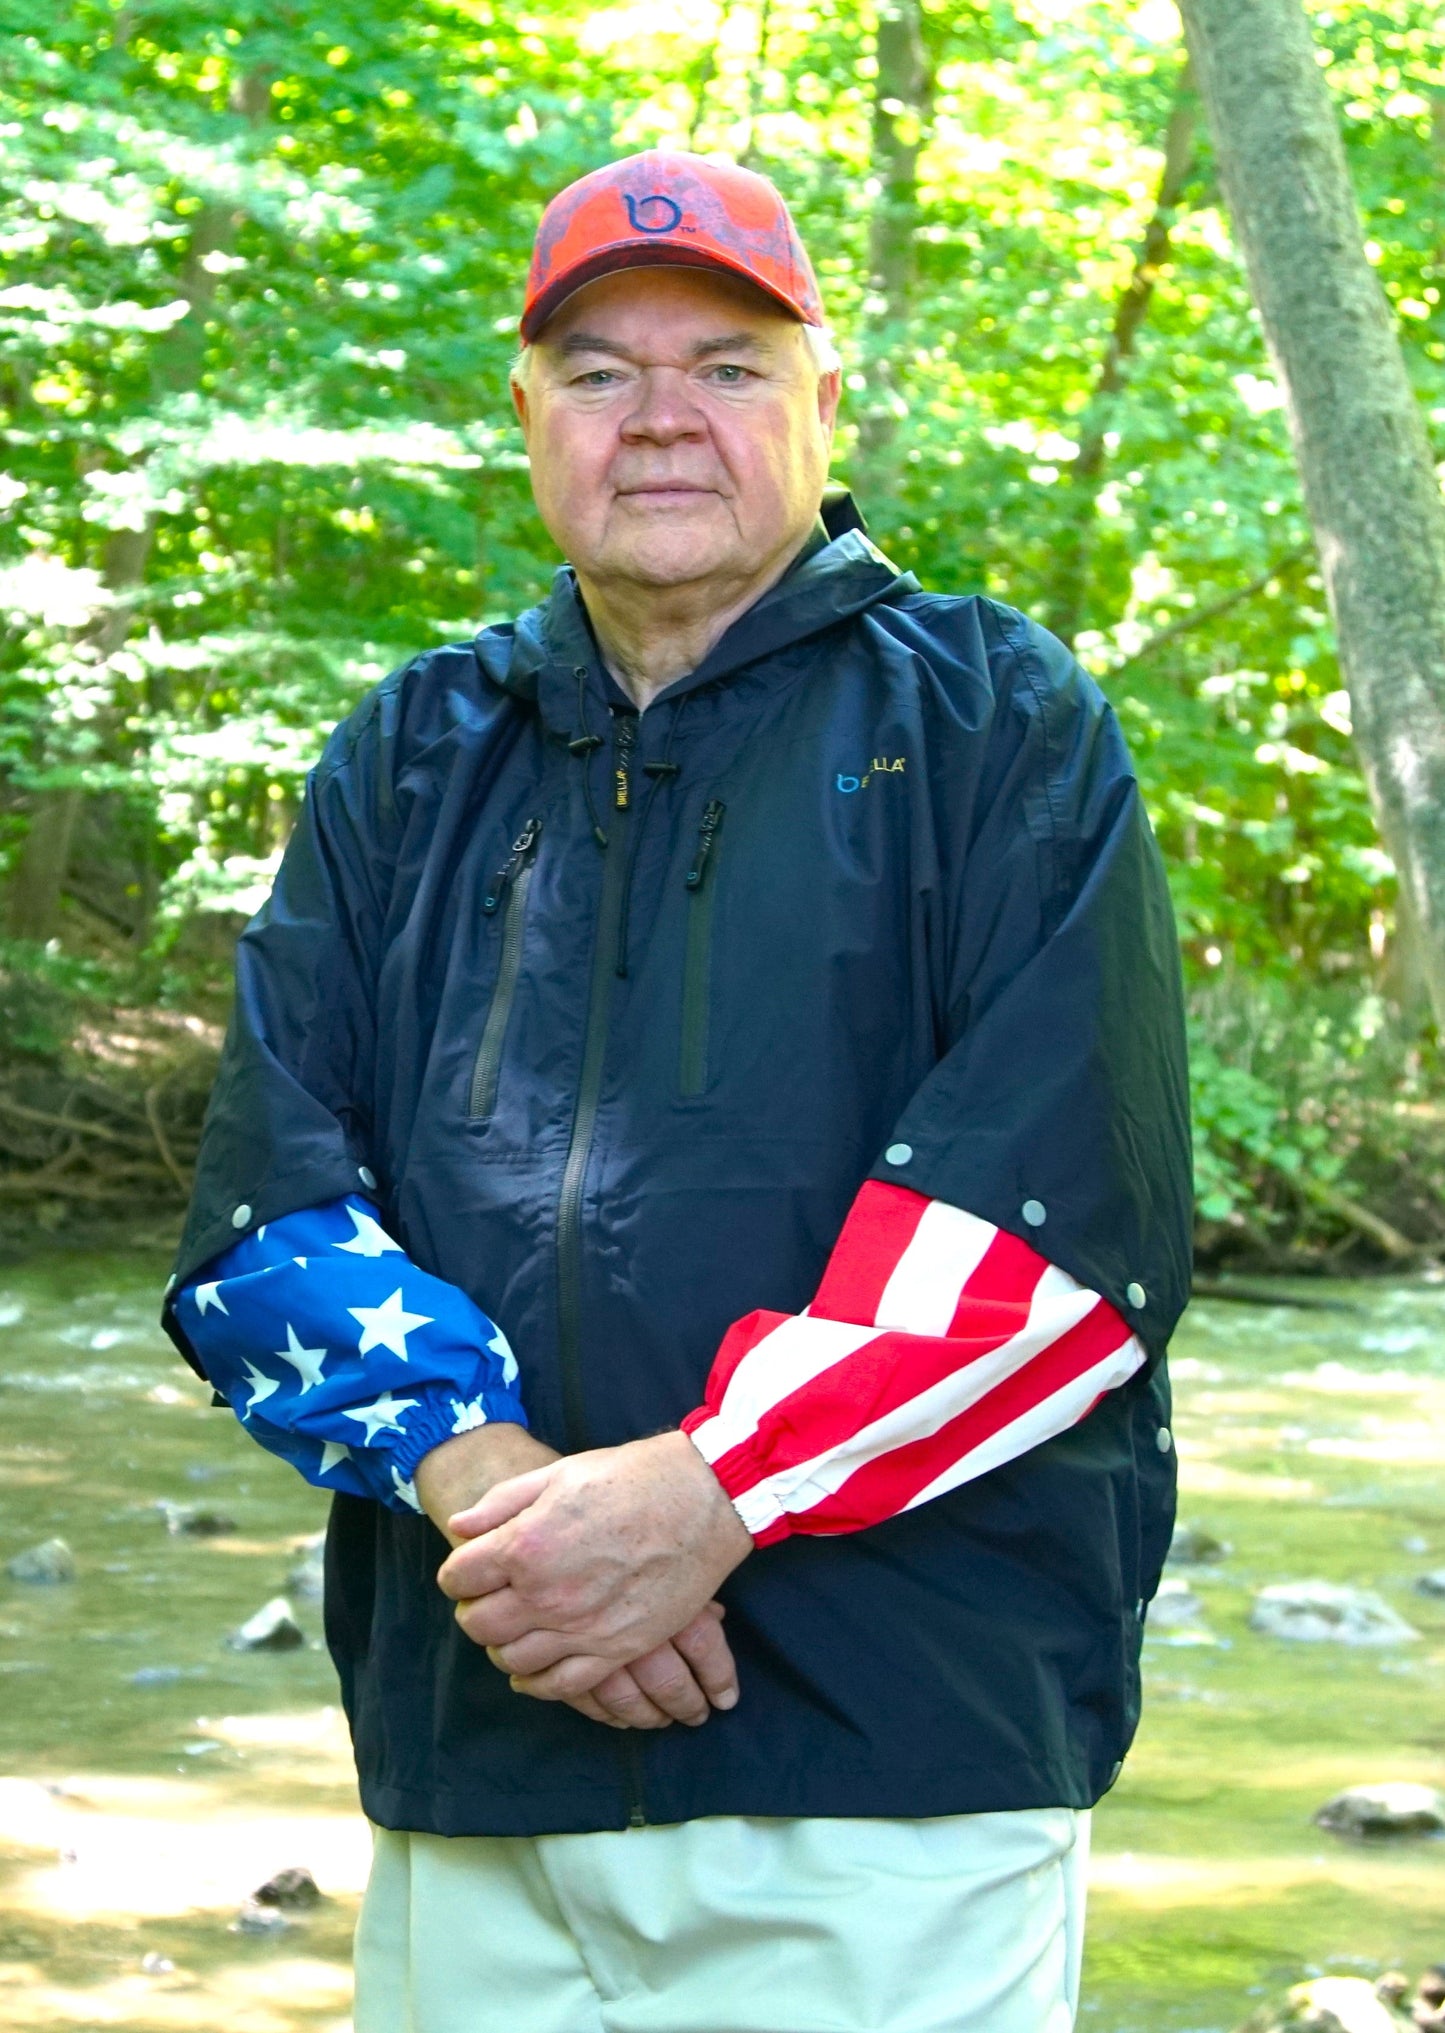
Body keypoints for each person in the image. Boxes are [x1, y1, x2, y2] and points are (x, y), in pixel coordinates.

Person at [163, 148, 1191, 2033]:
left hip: (894, 1766)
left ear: (821, 403)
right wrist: (505, 1500)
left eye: (723, 365)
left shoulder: (1000, 723)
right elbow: (262, 1209)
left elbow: (1054, 1232)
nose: (657, 419)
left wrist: (713, 1494)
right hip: (479, 1754)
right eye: (597, 369)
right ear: (527, 413)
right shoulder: (411, 750)